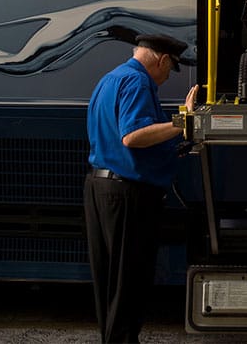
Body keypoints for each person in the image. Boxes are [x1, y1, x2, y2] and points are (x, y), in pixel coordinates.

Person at [83, 34, 198, 343]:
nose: (165, 78)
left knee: (111, 283)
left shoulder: (110, 79)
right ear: (161, 59)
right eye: (170, 69)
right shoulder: (138, 82)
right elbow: (132, 136)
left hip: (99, 186)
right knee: (130, 280)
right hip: (128, 193)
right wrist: (183, 120)